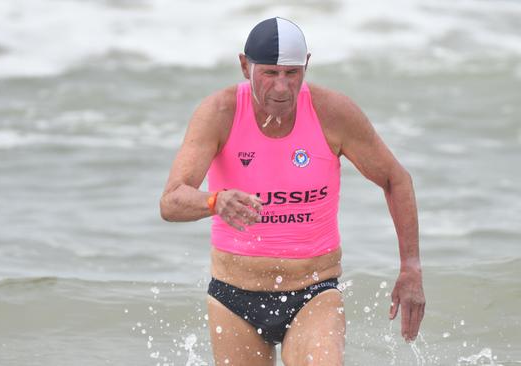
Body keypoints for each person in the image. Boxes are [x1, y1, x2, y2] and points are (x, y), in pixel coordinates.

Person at [160, 17, 425, 366]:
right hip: (233, 297)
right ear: (245, 66)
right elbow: (171, 201)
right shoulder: (219, 112)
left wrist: (411, 269)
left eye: (292, 73)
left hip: (314, 292)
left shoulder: (333, 113)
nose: (282, 88)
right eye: (269, 73)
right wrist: (215, 201)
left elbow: (396, 179)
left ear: (306, 66)